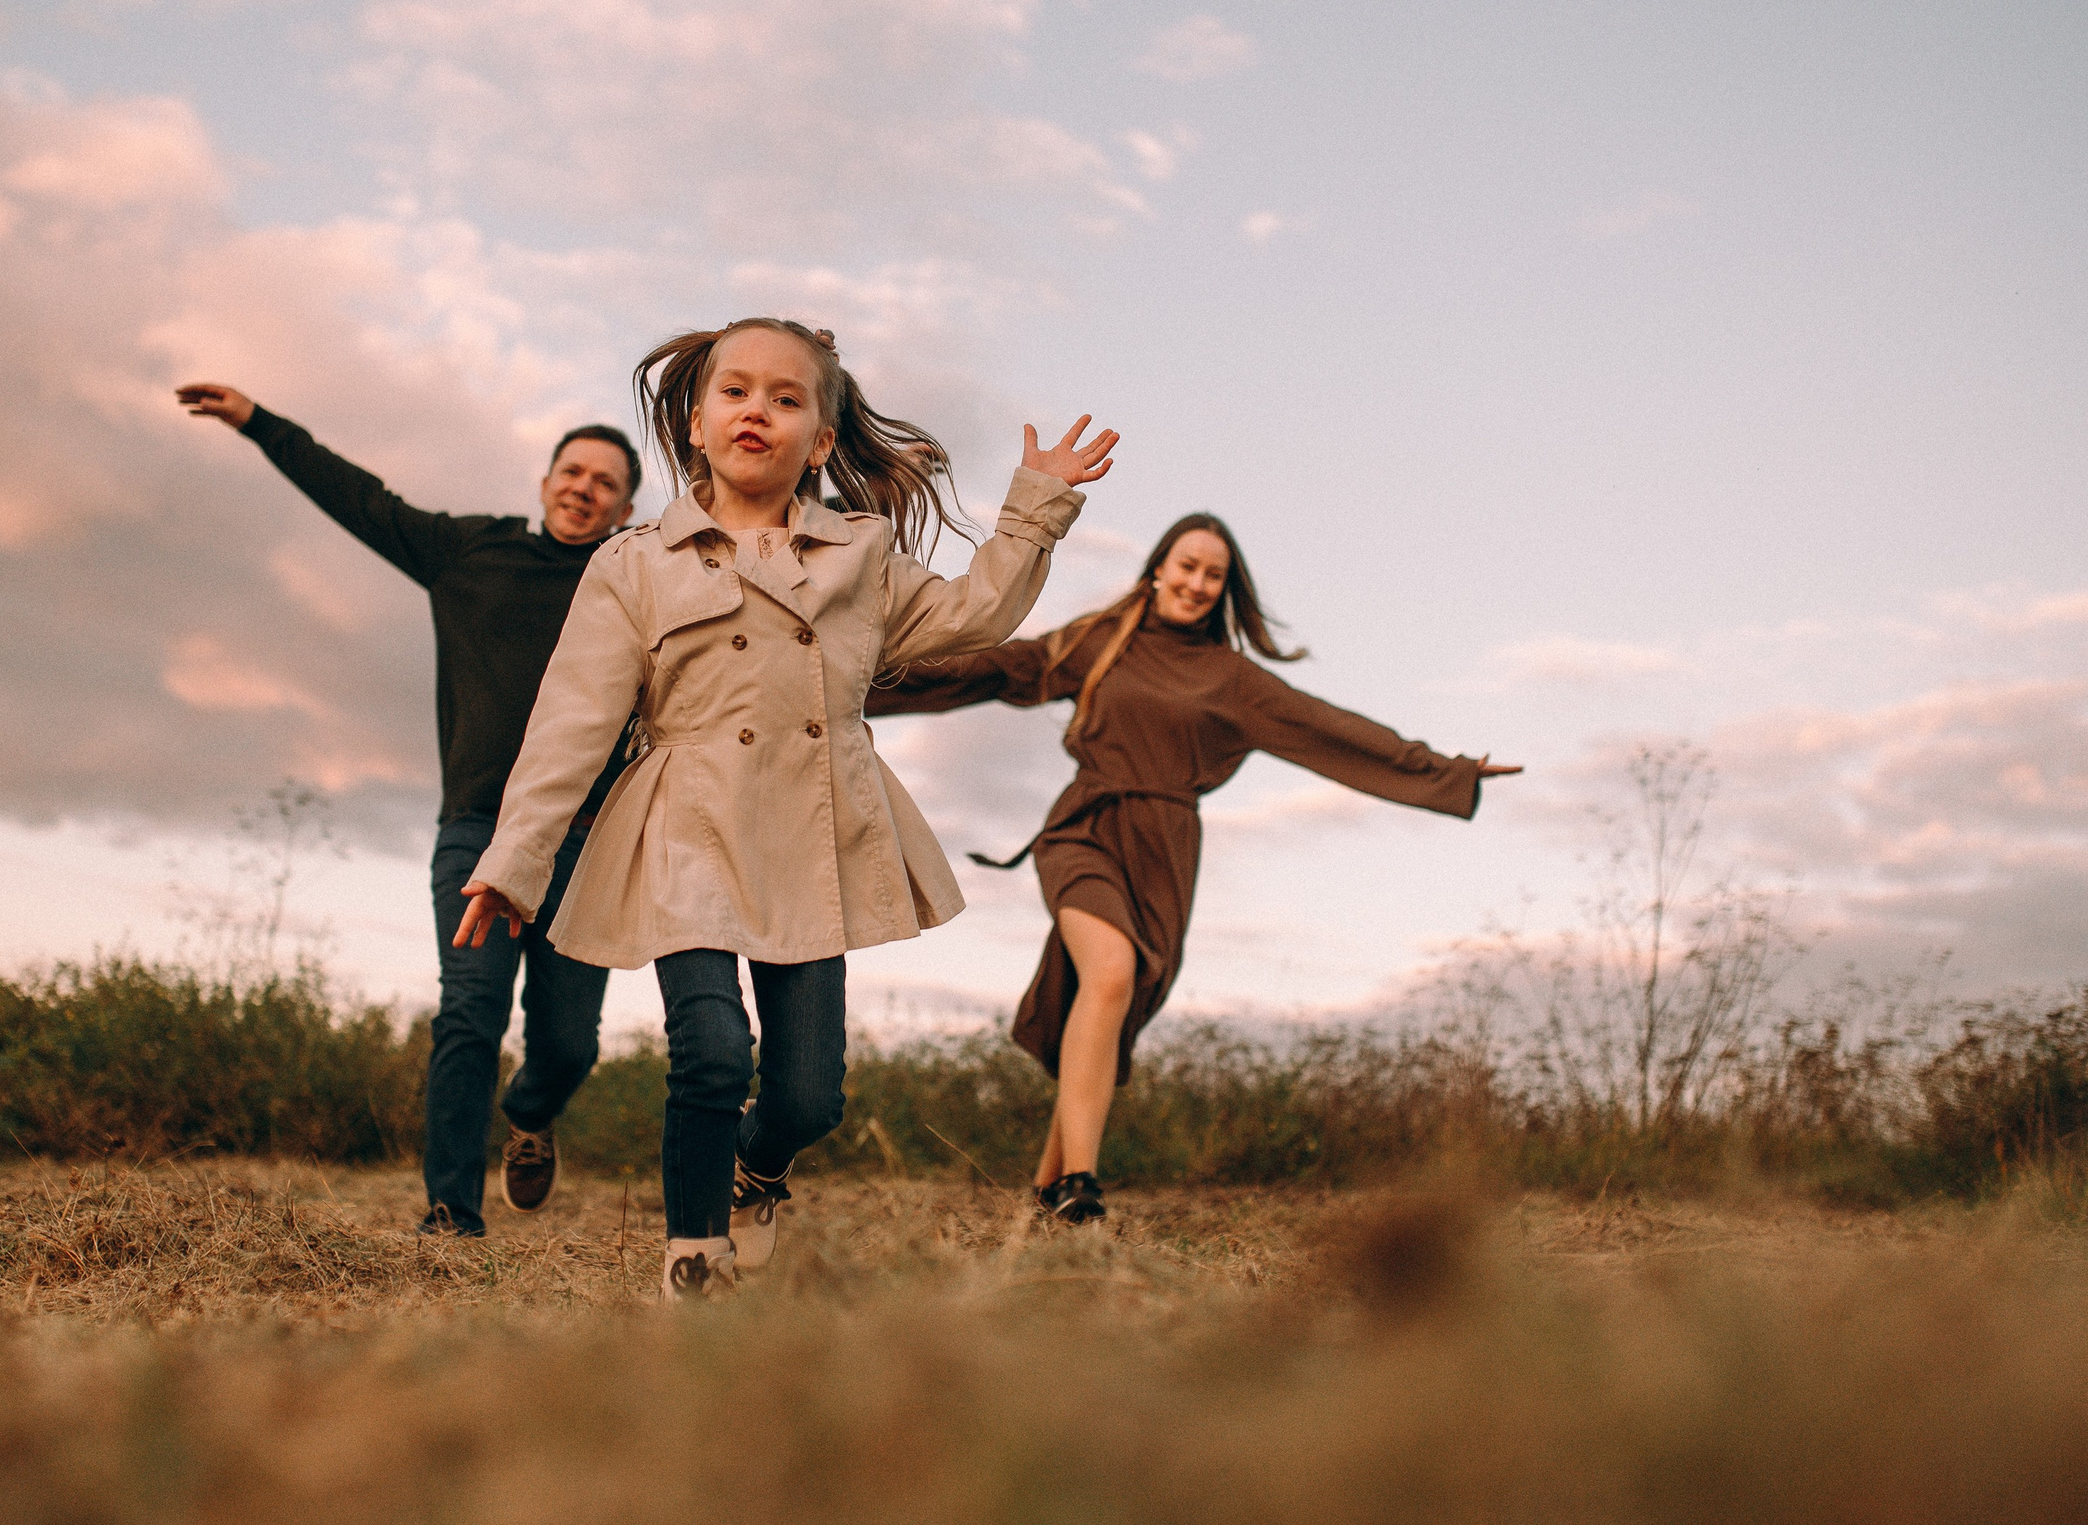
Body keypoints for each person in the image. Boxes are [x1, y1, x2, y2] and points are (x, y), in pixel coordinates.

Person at [452, 318, 1118, 1297]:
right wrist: (516, 862)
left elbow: (976, 612)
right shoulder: (634, 563)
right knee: (712, 1050)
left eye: (786, 395)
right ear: (693, 425)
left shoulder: (861, 553)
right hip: (685, 823)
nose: (755, 408)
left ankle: (758, 1170)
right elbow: (568, 725)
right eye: (734, 391)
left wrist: (1034, 507)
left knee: (809, 1095)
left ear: (820, 441)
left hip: (815, 827)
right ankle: (692, 1252)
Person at [867, 514, 1522, 1223]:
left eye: (1213, 574)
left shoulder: (1233, 679)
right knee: (1111, 970)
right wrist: (856, 680)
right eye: (1186, 566)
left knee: (1111, 1000)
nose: (1197, 582)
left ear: (1225, 589)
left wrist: (1445, 769)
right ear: (1156, 569)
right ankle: (1082, 1180)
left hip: (1166, 849)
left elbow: (1328, 728)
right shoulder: (1104, 639)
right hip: (1085, 826)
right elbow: (998, 668)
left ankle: (1048, 1186)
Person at [176, 380, 641, 1238]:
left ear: (626, 507)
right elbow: (361, 500)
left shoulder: (634, 583)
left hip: (586, 841)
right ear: (544, 483)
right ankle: (451, 1210)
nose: (583, 488)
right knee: (470, 1011)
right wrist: (259, 423)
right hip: (477, 833)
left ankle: (531, 1115)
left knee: (570, 1044)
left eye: (605, 482)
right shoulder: (469, 552)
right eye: (571, 471)